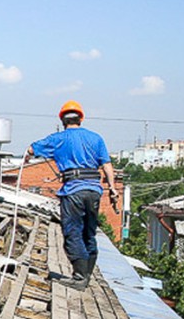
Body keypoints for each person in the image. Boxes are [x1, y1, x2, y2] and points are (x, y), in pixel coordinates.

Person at [24, 100, 119, 289]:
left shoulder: (58, 139)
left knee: (72, 231)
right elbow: (107, 165)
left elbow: (32, 149)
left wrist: (27, 154)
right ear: (80, 119)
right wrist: (113, 188)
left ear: (62, 120)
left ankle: (79, 278)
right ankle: (87, 275)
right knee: (89, 232)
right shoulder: (96, 138)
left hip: (73, 191)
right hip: (93, 191)